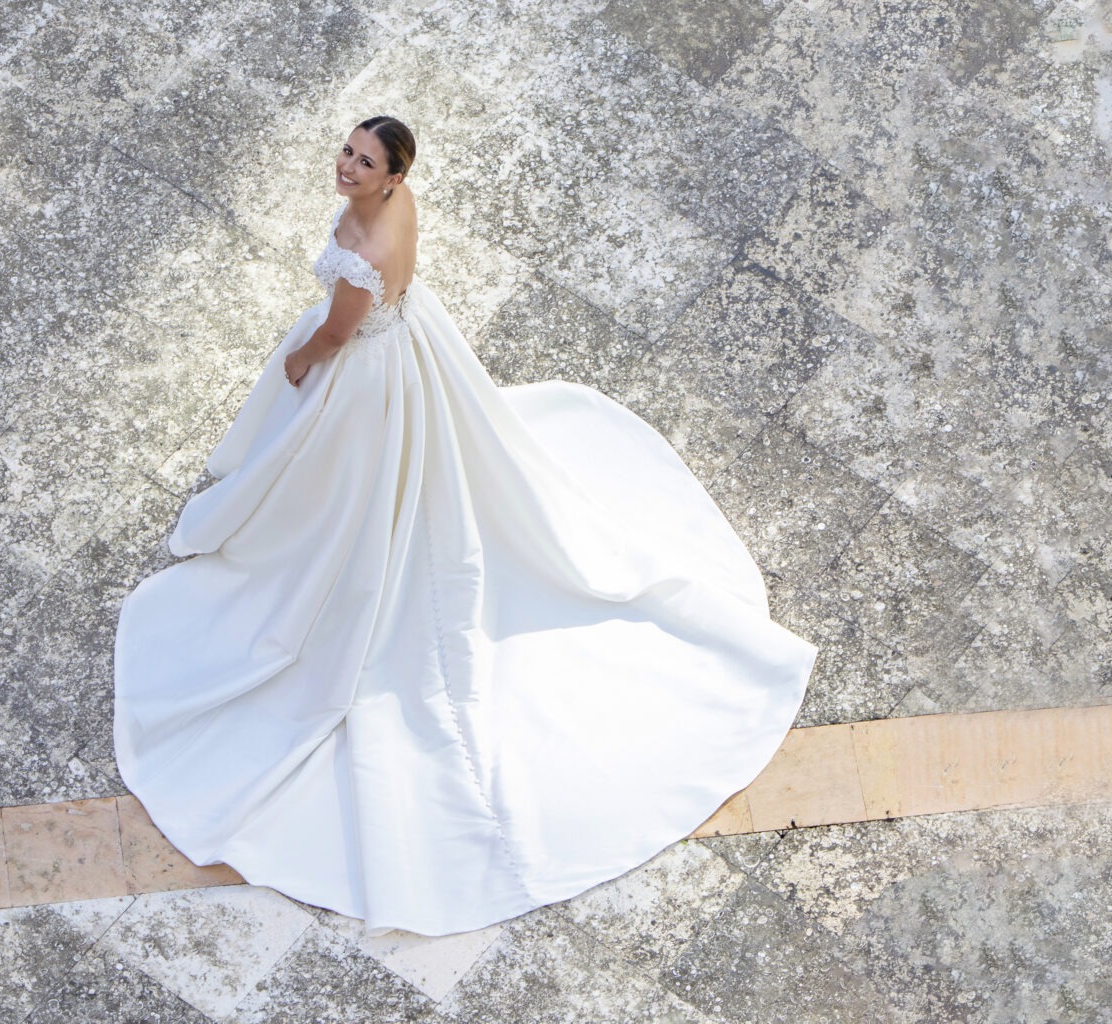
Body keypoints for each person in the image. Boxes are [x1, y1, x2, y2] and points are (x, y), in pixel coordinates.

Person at [113, 115, 817, 937]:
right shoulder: (400, 209)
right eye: (347, 150)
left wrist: (299, 362)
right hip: (411, 341)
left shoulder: (362, 256)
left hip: (366, 366)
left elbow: (339, 333)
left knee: (355, 486)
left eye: (362, 161)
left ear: (391, 176)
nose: (345, 165)